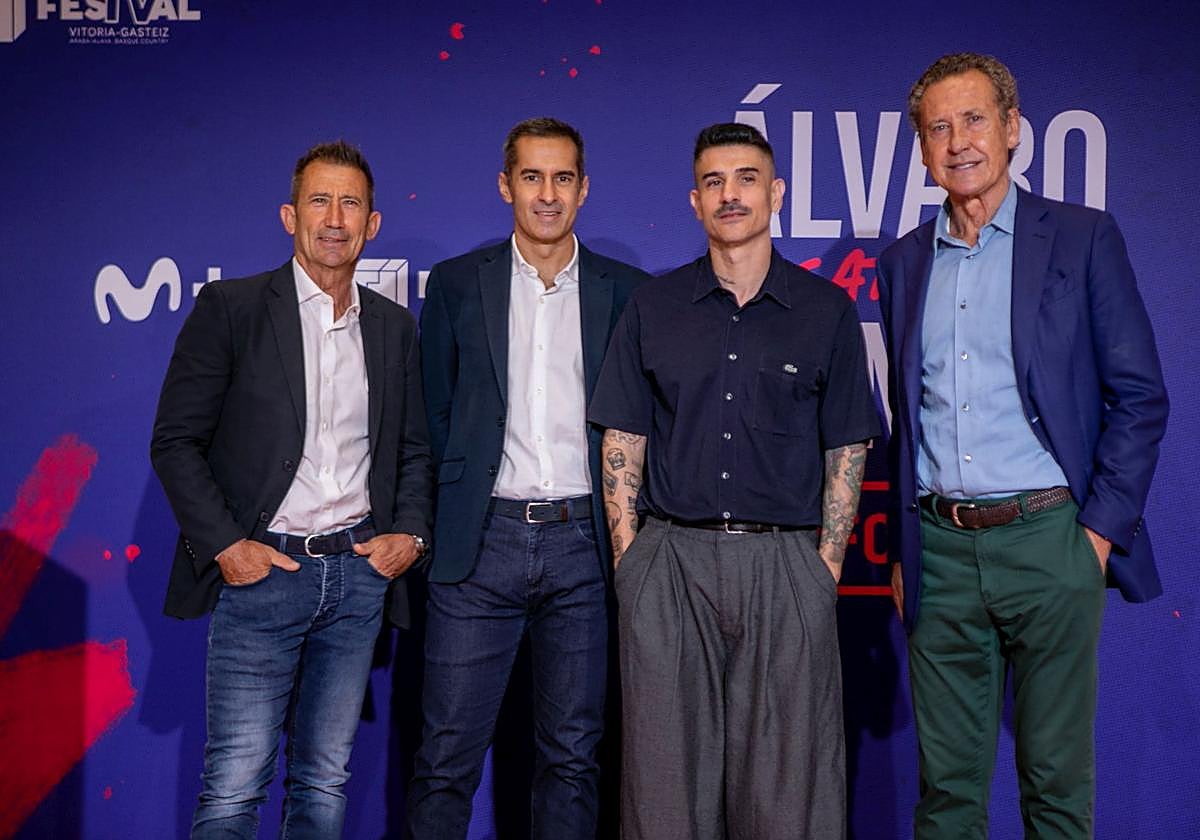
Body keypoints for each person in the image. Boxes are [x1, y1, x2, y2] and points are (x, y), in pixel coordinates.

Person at [876, 52, 1169, 838]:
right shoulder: (902, 264)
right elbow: (908, 417)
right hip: (940, 554)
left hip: (1049, 542)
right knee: (947, 801)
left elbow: (1140, 395)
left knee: (1055, 791)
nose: (958, 141)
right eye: (938, 128)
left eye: (974, 120)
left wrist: (1095, 536)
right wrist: (906, 548)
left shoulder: (1080, 237)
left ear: (1012, 129)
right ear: (922, 149)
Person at [590, 122, 879, 840]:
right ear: (695, 201)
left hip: (785, 565)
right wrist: (632, 563)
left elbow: (847, 445)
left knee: (788, 796)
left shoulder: (826, 311)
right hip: (670, 563)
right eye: (713, 182)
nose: (730, 195)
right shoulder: (653, 307)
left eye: (746, 178)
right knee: (663, 792)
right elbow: (623, 438)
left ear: (775, 193)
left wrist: (823, 569)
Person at [150, 140, 433, 838]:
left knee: (324, 782)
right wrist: (227, 547)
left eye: (350, 204)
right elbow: (175, 442)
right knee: (234, 784)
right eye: (319, 200)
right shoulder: (233, 308)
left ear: (372, 224)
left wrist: (409, 535)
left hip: (357, 581)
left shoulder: (394, 327)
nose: (334, 218)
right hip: (263, 575)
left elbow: (414, 448)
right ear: (289, 215)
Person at [407, 117, 648, 840]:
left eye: (563, 178)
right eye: (533, 177)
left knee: (572, 759)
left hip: (584, 549)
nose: (548, 194)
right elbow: (434, 416)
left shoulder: (626, 291)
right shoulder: (457, 285)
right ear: (505, 185)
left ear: (584, 189)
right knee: (445, 757)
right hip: (480, 545)